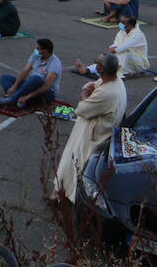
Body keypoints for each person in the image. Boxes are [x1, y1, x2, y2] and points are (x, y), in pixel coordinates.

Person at [54, 52, 127, 202]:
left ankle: (66, 196)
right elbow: (93, 85)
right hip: (99, 131)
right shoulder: (116, 82)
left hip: (92, 136)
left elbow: (82, 108)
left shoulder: (107, 93)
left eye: (97, 63)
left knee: (74, 164)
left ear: (101, 68)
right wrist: (88, 90)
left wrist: (84, 94)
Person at [0, 37, 63, 109]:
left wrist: (28, 96)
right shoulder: (36, 55)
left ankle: (12, 99)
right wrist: (14, 86)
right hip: (30, 85)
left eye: (38, 49)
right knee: (5, 78)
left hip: (46, 93)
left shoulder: (55, 63)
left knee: (35, 78)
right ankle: (20, 99)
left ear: (45, 50)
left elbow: (47, 86)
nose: (36, 50)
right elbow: (25, 71)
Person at [75, 14, 149, 78]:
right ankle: (88, 69)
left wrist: (106, 56)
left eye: (123, 23)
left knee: (124, 52)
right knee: (114, 56)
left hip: (140, 63)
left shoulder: (138, 35)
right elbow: (115, 44)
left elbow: (121, 47)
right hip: (126, 60)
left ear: (130, 25)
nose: (120, 24)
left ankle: (108, 70)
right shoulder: (122, 31)